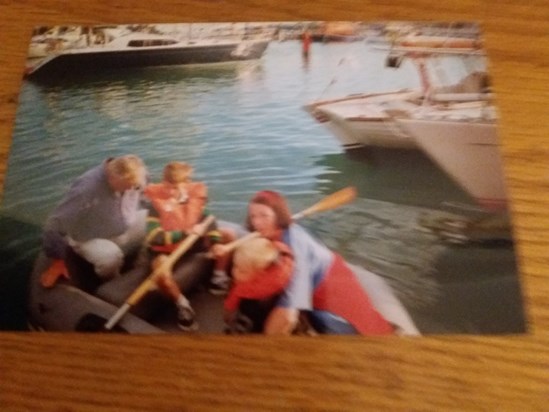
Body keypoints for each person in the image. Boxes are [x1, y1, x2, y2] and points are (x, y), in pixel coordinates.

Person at [238, 190, 395, 336]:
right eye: (253, 216)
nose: (257, 223)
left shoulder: (294, 247)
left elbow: (288, 317)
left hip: (335, 299)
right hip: (320, 282)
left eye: (264, 216)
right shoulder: (275, 233)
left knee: (324, 321)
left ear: (278, 216)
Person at [40, 155, 148, 290]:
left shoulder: (133, 179)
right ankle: (112, 283)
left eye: (135, 187)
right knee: (110, 258)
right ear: (113, 178)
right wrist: (57, 261)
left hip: (123, 225)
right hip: (89, 237)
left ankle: (142, 261)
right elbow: (55, 224)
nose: (132, 190)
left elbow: (144, 193)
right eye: (127, 187)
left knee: (154, 222)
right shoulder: (86, 189)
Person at [222, 237, 293, 333]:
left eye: (242, 271)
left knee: (250, 309)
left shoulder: (246, 289)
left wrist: (227, 318)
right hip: (279, 289)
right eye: (235, 266)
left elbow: (229, 307)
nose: (234, 273)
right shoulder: (281, 255)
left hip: (266, 304)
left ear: (261, 273)